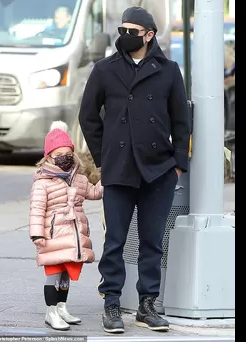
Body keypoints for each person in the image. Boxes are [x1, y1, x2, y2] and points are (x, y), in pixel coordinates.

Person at [78, 6, 190, 334]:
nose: (124, 36)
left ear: (149, 35)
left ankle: (147, 304)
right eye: (122, 29)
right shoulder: (104, 69)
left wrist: (179, 164)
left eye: (132, 31)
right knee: (115, 239)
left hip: (159, 171)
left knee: (152, 242)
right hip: (118, 169)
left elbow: (182, 120)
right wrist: (103, 157)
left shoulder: (168, 70)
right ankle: (111, 301)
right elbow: (88, 116)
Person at [29, 121, 103, 331]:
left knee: (64, 277)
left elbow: (94, 193)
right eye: (58, 154)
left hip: (72, 237)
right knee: (53, 274)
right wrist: (37, 235)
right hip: (52, 237)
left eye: (68, 154)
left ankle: (61, 307)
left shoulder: (78, 179)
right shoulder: (43, 182)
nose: (64, 158)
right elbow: (36, 209)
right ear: (48, 157)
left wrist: (108, 178)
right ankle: (50, 311)